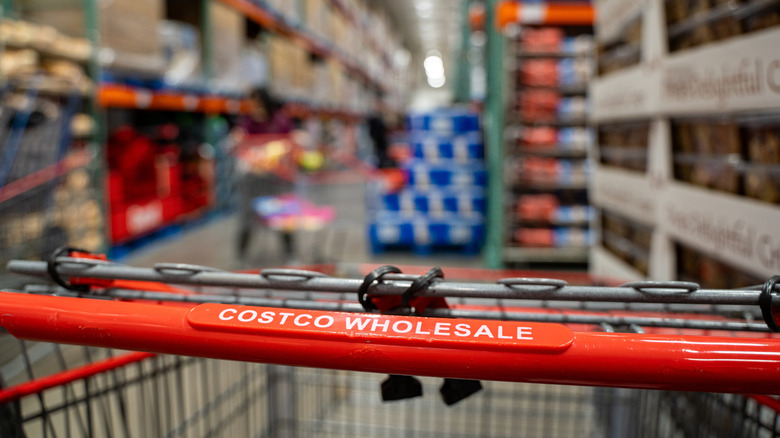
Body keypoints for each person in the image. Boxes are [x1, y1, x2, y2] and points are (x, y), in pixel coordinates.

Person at [234, 88, 297, 264]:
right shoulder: (246, 122)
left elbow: (291, 141)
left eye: (256, 102)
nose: (253, 106)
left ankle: (290, 254)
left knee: (283, 215)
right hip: (252, 177)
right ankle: (241, 256)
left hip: (277, 177)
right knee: (247, 216)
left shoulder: (280, 121)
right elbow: (238, 140)